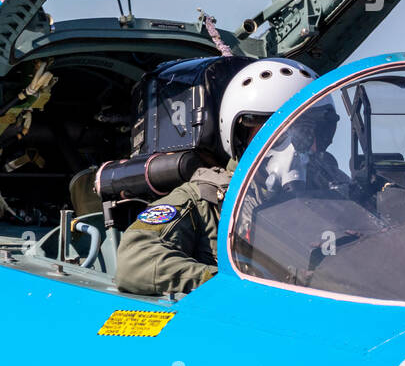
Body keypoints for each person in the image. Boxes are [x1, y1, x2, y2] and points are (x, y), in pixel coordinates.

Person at [115, 57, 316, 296]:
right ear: (240, 136)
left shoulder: (338, 199)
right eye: (273, 135)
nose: (292, 149)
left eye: (304, 133)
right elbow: (136, 261)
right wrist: (223, 284)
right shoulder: (205, 200)